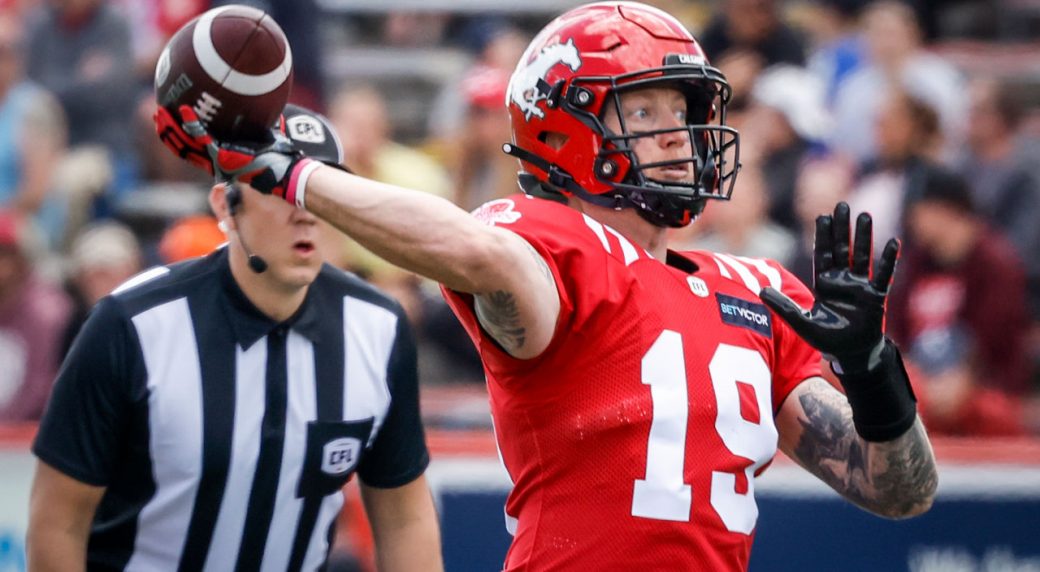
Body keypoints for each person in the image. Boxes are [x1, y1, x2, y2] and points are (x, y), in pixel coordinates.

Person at [156, 3, 937, 569]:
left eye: (684, 109)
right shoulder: (555, 243)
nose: (680, 133)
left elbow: (900, 492)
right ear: (566, 125)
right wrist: (294, 175)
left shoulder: (759, 287)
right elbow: (477, 252)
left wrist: (873, 376)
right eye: (648, 108)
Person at [27, 105, 443, 571]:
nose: (304, 212)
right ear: (225, 205)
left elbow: (404, 517)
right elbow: (57, 520)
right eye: (277, 187)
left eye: (318, 189)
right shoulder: (133, 323)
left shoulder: (378, 329)